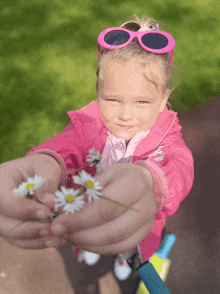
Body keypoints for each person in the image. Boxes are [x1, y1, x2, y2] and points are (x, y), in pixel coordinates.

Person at [0, 14, 194, 284]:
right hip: (90, 215)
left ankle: (127, 261)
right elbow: (67, 145)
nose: (125, 115)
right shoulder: (90, 126)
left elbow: (178, 164)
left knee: (131, 255)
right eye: (113, 99)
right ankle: (90, 250)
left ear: (163, 100)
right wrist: (48, 162)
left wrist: (150, 181)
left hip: (139, 232)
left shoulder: (167, 136)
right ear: (98, 92)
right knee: (90, 237)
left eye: (142, 102)